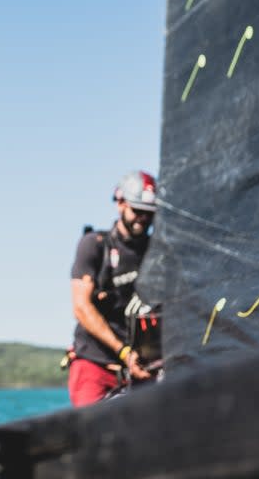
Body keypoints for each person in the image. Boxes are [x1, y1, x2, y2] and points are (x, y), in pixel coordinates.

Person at [66, 170, 156, 407]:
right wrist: (124, 352)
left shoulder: (157, 252)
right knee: (92, 435)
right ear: (120, 203)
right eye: (137, 211)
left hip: (142, 369)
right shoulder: (95, 246)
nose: (143, 219)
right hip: (96, 365)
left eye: (149, 214)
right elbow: (81, 307)